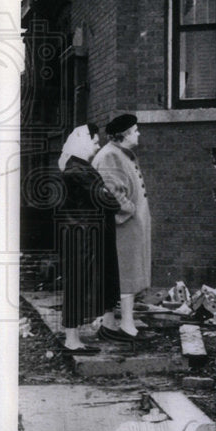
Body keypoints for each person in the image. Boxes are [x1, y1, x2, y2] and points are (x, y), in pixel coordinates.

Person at [57, 124, 121, 354]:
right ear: (84, 141)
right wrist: (109, 197)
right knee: (78, 284)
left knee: (81, 283)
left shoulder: (77, 167)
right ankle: (72, 340)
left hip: (83, 235)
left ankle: (75, 337)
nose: (97, 146)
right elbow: (109, 202)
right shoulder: (78, 171)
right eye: (94, 141)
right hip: (84, 238)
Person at [92, 113, 152, 342]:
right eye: (135, 131)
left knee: (125, 276)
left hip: (128, 229)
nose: (138, 134)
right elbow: (111, 192)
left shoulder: (119, 154)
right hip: (123, 229)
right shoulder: (110, 156)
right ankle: (127, 326)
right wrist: (131, 210)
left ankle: (109, 325)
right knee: (127, 277)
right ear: (124, 135)